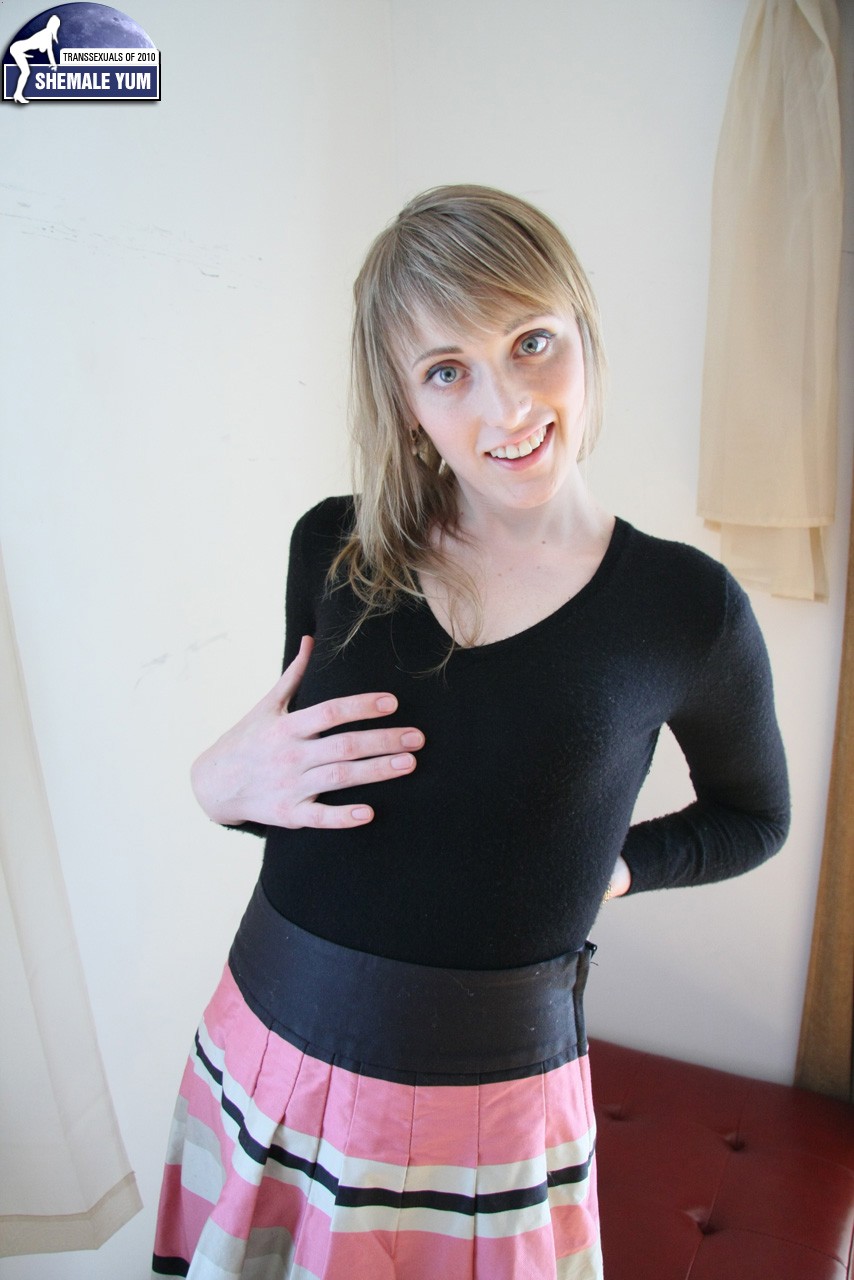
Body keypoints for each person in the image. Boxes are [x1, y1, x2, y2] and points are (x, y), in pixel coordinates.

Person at [151, 185, 790, 1280]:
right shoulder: (332, 548)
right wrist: (215, 786)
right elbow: (311, 793)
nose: (508, 407)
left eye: (532, 342)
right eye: (447, 370)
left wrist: (618, 867)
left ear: (583, 334)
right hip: (265, 1049)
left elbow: (754, 817)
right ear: (405, 402)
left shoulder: (687, 609)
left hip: (490, 1106)